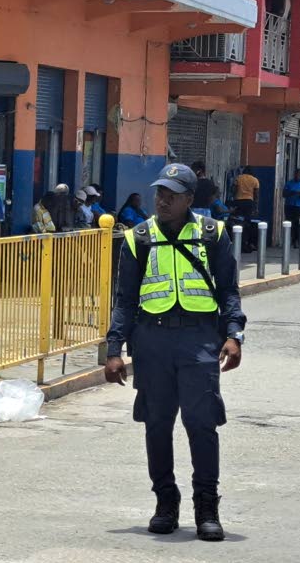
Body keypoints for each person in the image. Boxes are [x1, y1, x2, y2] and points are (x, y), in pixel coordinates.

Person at [105, 163, 246, 541]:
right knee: (157, 424)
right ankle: (165, 502)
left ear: (189, 199)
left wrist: (234, 333)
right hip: (152, 341)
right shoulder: (138, 237)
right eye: (159, 193)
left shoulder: (212, 233)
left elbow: (228, 290)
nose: (162, 200)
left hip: (200, 341)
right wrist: (113, 349)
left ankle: (206, 507)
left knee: (202, 424)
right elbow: (125, 299)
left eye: (171, 194)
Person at [230, 166, 260, 251]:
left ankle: (238, 241)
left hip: (238, 202)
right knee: (247, 223)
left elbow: (233, 189)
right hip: (249, 203)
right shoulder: (255, 180)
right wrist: (256, 208)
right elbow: (256, 195)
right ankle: (246, 243)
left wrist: (233, 200)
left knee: (237, 222)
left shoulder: (239, 178)